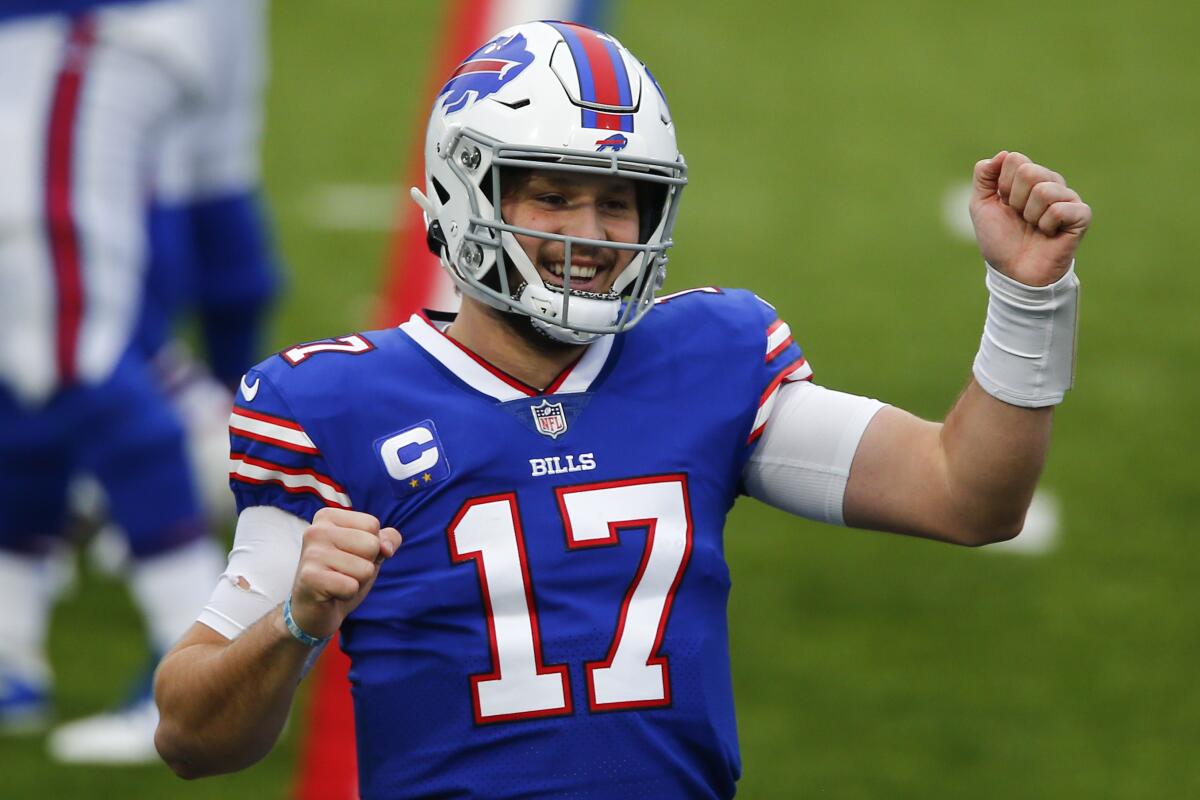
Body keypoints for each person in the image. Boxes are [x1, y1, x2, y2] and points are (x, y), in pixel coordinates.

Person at [153, 20, 1089, 799]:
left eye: (619, 203)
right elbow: (193, 734)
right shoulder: (336, 403)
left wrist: (1029, 300)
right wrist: (299, 620)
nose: (593, 237)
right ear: (463, 194)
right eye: (553, 197)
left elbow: (968, 497)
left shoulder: (711, 361)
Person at [0, 0, 231, 761]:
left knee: (76, 348)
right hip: (57, 38)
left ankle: (203, 667)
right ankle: (10, 650)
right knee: (23, 352)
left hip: (72, 31)